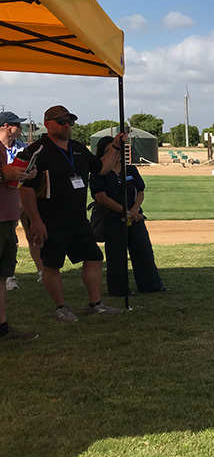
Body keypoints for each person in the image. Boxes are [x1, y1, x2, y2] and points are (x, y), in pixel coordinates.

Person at [19, 105, 125, 322]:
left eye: (70, 122)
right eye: (61, 121)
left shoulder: (78, 148)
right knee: (52, 264)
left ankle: (95, 304)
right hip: (50, 220)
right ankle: (61, 308)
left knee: (94, 257)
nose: (67, 125)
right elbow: (26, 189)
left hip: (78, 219)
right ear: (47, 124)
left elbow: (101, 168)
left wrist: (115, 146)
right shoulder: (36, 151)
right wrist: (36, 221)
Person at [90, 136, 167, 297]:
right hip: (112, 219)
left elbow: (140, 190)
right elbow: (101, 197)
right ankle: (119, 289)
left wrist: (135, 210)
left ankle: (151, 285)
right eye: (110, 151)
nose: (116, 154)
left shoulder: (130, 170)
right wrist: (123, 211)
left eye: (118, 150)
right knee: (116, 255)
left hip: (135, 217)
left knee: (143, 252)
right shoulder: (99, 173)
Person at [0, 131, 39, 340]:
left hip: (7, 217)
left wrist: (23, 174)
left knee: (2, 275)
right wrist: (4, 174)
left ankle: (2, 327)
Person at [0, 111, 42, 290]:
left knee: (33, 234)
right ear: (6, 127)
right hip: (5, 200)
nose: (21, 128)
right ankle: (9, 276)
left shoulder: (24, 148)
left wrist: (33, 172)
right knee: (9, 235)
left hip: (23, 194)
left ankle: (42, 272)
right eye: (17, 124)